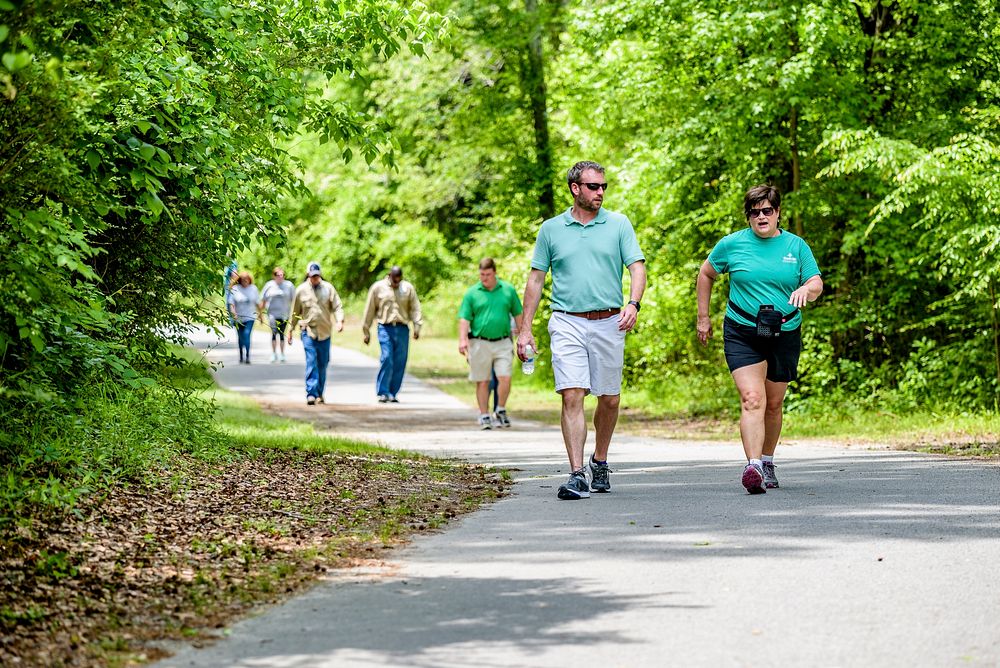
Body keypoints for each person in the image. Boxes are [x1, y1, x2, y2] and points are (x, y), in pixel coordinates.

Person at [518, 160, 646, 500]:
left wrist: (633, 303)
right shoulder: (551, 229)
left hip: (609, 321)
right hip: (566, 320)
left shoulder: (618, 224)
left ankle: (600, 460)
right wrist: (525, 329)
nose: (600, 192)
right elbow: (535, 279)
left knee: (610, 398)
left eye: (603, 186)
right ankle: (577, 473)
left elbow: (637, 267)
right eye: (593, 187)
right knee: (572, 394)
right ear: (576, 188)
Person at [696, 184, 823, 494]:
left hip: (784, 331)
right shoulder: (731, 245)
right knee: (753, 399)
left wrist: (807, 290)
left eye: (767, 211)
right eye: (755, 212)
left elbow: (816, 282)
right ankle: (752, 466)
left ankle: (767, 460)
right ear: (748, 217)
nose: (761, 216)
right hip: (742, 331)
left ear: (778, 213)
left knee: (774, 404)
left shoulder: (796, 246)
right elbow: (706, 274)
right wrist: (703, 316)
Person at [458, 258, 524, 429]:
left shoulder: (507, 290)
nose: (484, 278)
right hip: (479, 342)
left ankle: (500, 409)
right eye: (481, 274)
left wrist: (524, 335)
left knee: (505, 377)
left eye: (487, 274)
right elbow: (464, 318)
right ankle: (483, 414)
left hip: (503, 341)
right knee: (483, 380)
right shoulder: (472, 293)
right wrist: (463, 339)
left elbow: (518, 314)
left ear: (494, 272)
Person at [362, 266, 423, 403]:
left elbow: (415, 308)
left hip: (402, 328)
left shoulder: (407, 288)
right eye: (394, 280)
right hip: (385, 328)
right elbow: (370, 310)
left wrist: (417, 327)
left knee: (400, 361)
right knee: (387, 358)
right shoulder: (378, 288)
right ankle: (383, 391)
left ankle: (393, 392)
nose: (396, 283)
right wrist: (366, 331)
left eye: (399, 280)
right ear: (389, 275)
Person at [288, 262, 344, 405]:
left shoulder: (328, 288)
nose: (315, 279)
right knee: (311, 361)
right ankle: (311, 393)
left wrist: (339, 321)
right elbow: (294, 312)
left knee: (323, 363)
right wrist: (290, 330)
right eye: (313, 276)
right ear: (308, 275)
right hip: (308, 332)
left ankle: (319, 393)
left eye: (317, 276)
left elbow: (337, 306)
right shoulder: (301, 290)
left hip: (325, 332)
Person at [259, 267, 296, 363]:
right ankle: (274, 354)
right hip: (272, 314)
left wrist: (294, 314)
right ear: (274, 276)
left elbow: (294, 301)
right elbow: (263, 300)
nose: (280, 277)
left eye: (282, 275)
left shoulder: (289, 285)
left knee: (282, 333)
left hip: (284, 314)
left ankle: (282, 354)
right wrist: (260, 314)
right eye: (278, 275)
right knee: (274, 333)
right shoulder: (269, 285)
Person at [227, 271, 259, 364]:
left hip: (250, 317)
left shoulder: (253, 289)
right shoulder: (235, 288)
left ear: (249, 280)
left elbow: (257, 303)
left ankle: (248, 356)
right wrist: (234, 314)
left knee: (247, 334)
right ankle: (241, 356)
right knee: (240, 337)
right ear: (240, 280)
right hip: (238, 318)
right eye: (243, 280)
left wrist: (261, 315)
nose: (245, 281)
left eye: (247, 280)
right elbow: (231, 304)